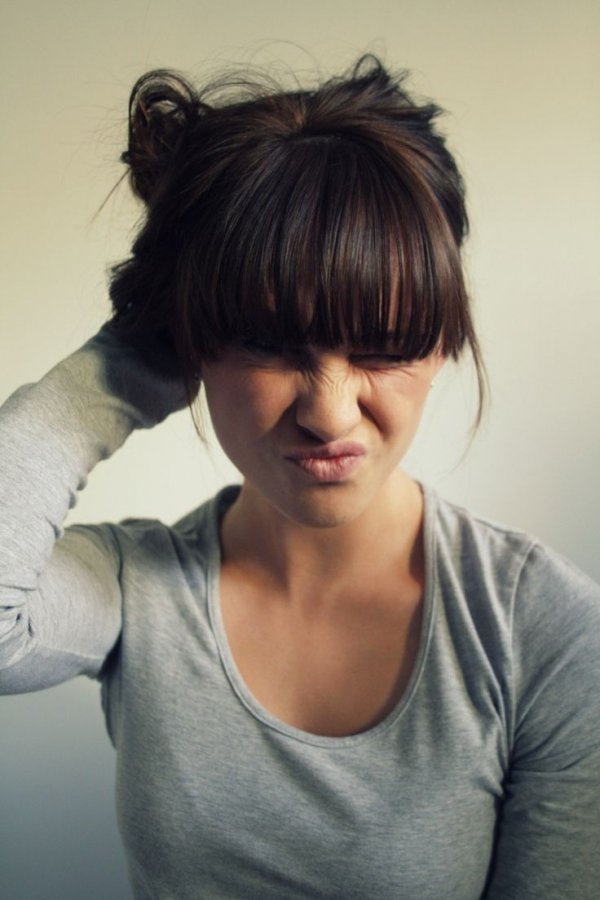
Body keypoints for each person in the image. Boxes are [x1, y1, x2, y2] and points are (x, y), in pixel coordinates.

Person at [1, 55, 599, 900]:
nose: (329, 413)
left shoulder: (545, 630)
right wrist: (124, 362)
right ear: (190, 345)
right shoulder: (141, 591)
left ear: (442, 340)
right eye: (271, 346)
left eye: (384, 345)